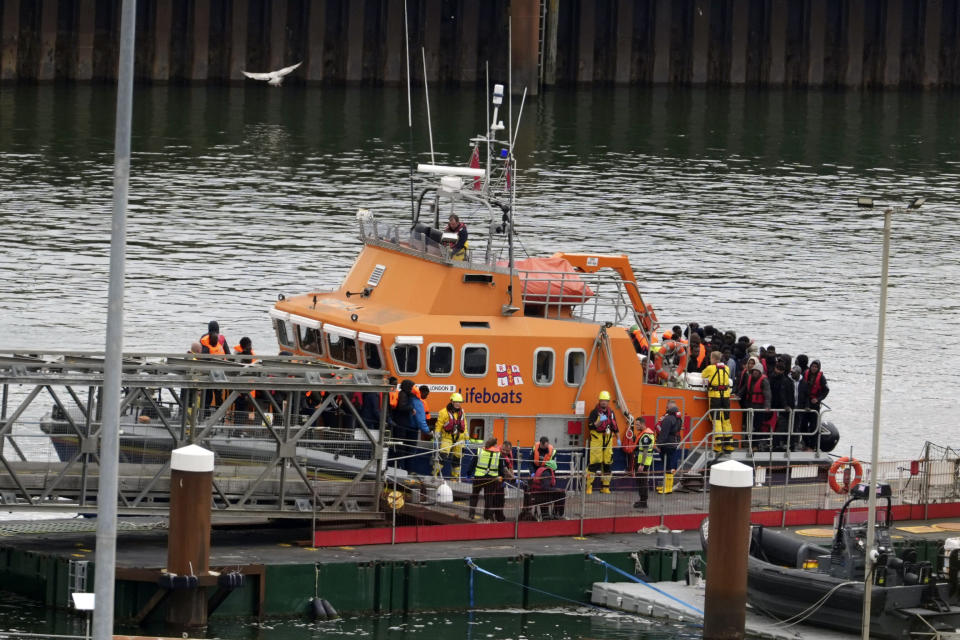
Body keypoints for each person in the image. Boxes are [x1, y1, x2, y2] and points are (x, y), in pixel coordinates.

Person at [467, 437, 512, 521]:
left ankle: (471, 514)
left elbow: (472, 463)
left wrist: (469, 474)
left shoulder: (479, 451)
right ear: (494, 445)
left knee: (474, 495)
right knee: (489, 498)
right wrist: (502, 479)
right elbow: (501, 469)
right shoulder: (498, 454)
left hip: (478, 477)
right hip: (491, 479)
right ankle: (487, 517)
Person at [701, 351, 734, 453]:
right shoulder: (727, 368)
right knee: (726, 419)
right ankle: (729, 445)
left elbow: (703, 375)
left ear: (713, 359)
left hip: (715, 397)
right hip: (725, 397)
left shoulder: (710, 368)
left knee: (716, 419)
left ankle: (718, 446)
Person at [586, 390, 618, 494]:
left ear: (608, 402)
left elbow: (615, 426)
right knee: (594, 464)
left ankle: (605, 487)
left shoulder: (611, 413)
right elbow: (590, 426)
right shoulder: (594, 412)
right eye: (602, 400)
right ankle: (589, 486)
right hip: (597, 440)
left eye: (605, 400)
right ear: (599, 401)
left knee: (608, 464)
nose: (604, 402)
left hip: (608, 440)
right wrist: (600, 420)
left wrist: (618, 439)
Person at [435, 392, 467, 478]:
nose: (458, 404)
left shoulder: (462, 412)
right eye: (457, 402)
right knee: (442, 456)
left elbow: (465, 424)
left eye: (460, 402)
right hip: (447, 437)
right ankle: (435, 474)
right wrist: (437, 433)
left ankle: (455, 477)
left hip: (459, 438)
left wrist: (466, 437)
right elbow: (439, 424)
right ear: (452, 402)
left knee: (457, 458)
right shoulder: (443, 412)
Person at [744, 363, 772, 451]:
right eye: (754, 371)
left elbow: (767, 395)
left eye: (757, 371)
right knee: (749, 425)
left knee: (757, 426)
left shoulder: (764, 381)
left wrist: (767, 406)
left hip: (759, 408)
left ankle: (755, 445)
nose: (755, 373)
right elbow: (745, 389)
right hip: (750, 406)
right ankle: (748, 442)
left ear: (760, 372)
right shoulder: (750, 378)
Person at [768, 360, 794, 451]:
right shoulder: (771, 378)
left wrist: (787, 406)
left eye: (781, 369)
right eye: (777, 368)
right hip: (772, 407)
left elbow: (789, 395)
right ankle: (771, 443)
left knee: (780, 427)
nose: (778, 371)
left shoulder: (787, 381)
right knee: (771, 426)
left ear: (784, 371)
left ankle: (777, 445)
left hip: (782, 409)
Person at [391, 380, 417, 470]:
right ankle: (398, 466)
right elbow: (401, 407)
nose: (413, 388)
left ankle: (400, 466)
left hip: (403, 423)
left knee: (402, 446)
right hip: (401, 423)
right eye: (412, 386)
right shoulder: (403, 394)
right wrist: (411, 408)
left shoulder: (406, 393)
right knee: (400, 446)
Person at [802, 360, 829, 444]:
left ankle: (813, 444)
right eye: (812, 366)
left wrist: (818, 399)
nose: (814, 368)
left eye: (816, 367)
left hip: (815, 403)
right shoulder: (805, 374)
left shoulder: (821, 378)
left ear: (818, 368)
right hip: (805, 402)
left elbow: (826, 390)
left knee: (814, 425)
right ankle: (805, 441)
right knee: (803, 424)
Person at [633, 423, 657, 509]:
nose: (637, 427)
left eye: (638, 425)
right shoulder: (648, 434)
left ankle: (643, 502)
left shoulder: (646, 436)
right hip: (643, 462)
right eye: (636, 425)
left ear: (643, 424)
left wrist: (642, 465)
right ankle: (642, 500)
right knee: (641, 482)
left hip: (643, 463)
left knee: (643, 482)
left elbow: (645, 451)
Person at [789, 365, 813, 449]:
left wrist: (806, 406)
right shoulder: (788, 381)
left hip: (799, 408)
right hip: (790, 408)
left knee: (797, 426)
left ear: (798, 373)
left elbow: (807, 396)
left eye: (794, 373)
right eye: (791, 373)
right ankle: (789, 442)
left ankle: (796, 442)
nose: (792, 374)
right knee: (788, 425)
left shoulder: (804, 383)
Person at [656, 403, 682, 473]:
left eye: (667, 408)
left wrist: (658, 445)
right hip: (674, 444)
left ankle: (667, 483)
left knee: (667, 467)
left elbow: (664, 433)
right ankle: (669, 482)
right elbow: (678, 431)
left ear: (668, 408)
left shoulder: (668, 418)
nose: (666, 409)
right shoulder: (678, 418)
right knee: (671, 466)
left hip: (666, 445)